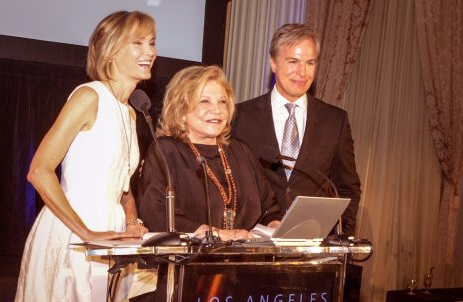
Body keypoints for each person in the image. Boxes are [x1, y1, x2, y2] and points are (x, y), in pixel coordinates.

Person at [4, 11, 156, 302]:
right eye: (137, 42)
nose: (149, 51)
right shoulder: (89, 97)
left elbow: (123, 187)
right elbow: (39, 171)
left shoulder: (131, 113)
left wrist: (132, 220)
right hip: (74, 237)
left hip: (111, 241)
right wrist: (87, 233)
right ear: (109, 50)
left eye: (151, 42)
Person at [232, 23, 361, 235]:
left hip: (314, 250)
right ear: (273, 63)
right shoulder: (240, 117)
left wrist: (338, 236)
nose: (302, 72)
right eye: (293, 61)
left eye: (310, 63)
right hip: (253, 247)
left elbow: (347, 188)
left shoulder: (335, 121)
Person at [138, 65, 281, 241]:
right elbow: (154, 211)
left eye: (222, 102)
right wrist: (215, 234)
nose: (217, 110)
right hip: (189, 261)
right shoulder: (165, 151)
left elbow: (269, 206)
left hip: (243, 261)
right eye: (205, 101)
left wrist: (277, 226)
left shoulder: (241, 150)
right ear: (181, 110)